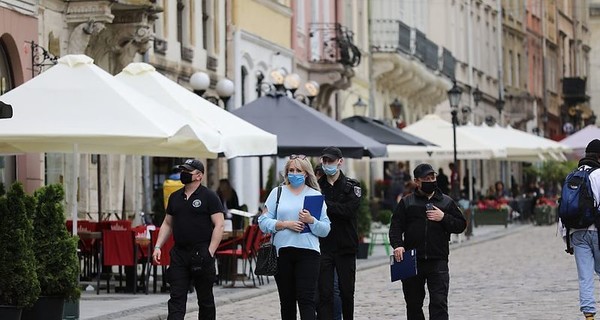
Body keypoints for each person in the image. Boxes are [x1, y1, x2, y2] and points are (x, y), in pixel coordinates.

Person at [389, 163, 467, 320]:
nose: (431, 181)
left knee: (439, 303)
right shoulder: (407, 202)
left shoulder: (446, 202)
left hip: (438, 259)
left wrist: (443, 217)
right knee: (413, 304)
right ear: (417, 181)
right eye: (426, 178)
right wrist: (398, 246)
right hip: (412, 259)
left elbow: (461, 225)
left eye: (432, 178)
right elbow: (395, 227)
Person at [258, 154, 331, 320]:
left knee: (307, 301)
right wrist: (284, 224)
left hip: (309, 253)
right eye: (291, 170)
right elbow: (263, 221)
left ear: (306, 173)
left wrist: (311, 220)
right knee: (287, 302)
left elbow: (325, 229)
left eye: (298, 170)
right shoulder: (277, 193)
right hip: (282, 253)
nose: (294, 173)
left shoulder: (314, 195)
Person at [152, 159, 225, 320]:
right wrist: (158, 246)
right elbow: (167, 223)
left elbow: (219, 225)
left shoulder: (209, 196)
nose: (183, 174)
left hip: (202, 252)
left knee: (205, 300)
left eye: (187, 171)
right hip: (179, 254)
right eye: (182, 171)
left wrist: (210, 251)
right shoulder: (175, 197)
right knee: (176, 298)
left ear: (199, 176)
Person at [316, 147, 362, 320]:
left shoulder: (352, 185)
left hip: (346, 246)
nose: (328, 164)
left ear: (340, 162)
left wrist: (326, 206)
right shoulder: (317, 187)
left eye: (331, 161)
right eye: (325, 161)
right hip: (324, 245)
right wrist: (333, 208)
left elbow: (349, 211)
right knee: (325, 292)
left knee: (346, 292)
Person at [561, 139, 600, 320]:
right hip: (597, 230)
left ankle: (589, 317)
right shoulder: (598, 174)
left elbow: (564, 207)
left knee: (585, 276)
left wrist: (566, 239)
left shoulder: (572, 175)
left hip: (576, 232)